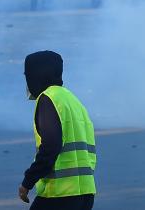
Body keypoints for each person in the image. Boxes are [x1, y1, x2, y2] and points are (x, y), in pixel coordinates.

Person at [18, 50, 96, 210]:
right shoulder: (73, 101)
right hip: (85, 193)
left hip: (59, 194)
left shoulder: (48, 99)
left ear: (36, 75)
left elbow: (51, 147)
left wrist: (27, 182)